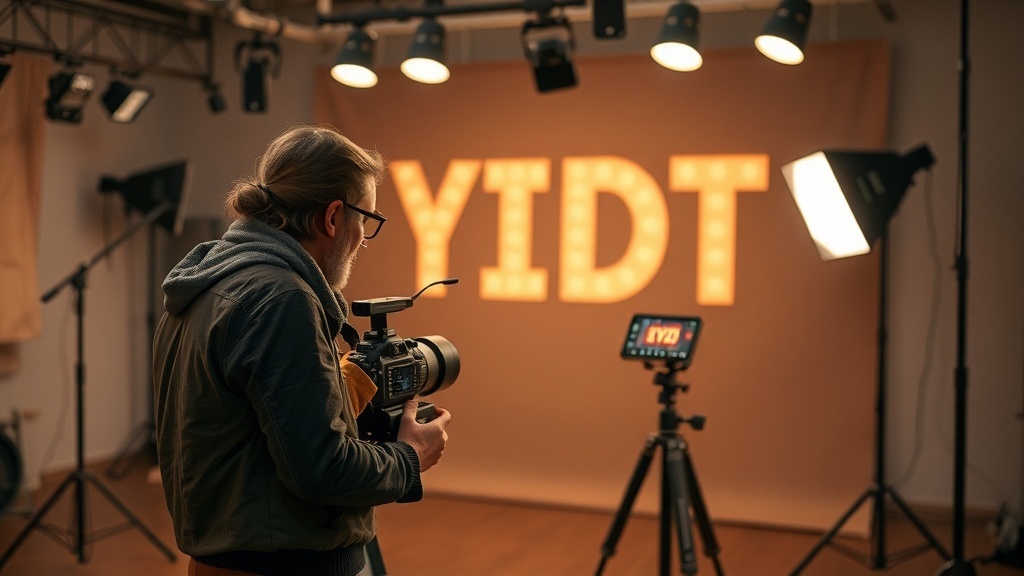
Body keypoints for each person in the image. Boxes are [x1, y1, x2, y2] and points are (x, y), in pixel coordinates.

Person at [152, 124, 451, 576]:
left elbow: (243, 435)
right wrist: (410, 457)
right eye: (366, 221)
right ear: (333, 217)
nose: (362, 240)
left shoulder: (206, 281)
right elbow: (321, 468)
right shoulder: (281, 298)